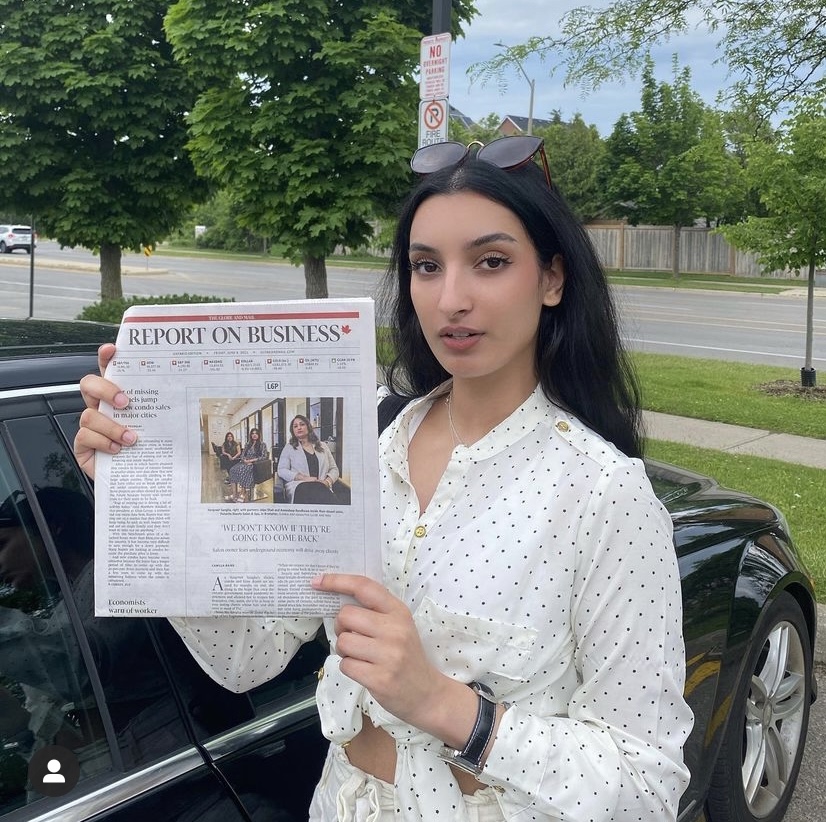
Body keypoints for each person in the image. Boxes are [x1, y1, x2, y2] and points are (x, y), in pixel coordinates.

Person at [74, 135, 693, 822]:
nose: (451, 298)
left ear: (552, 278)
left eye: (490, 262)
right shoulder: (360, 441)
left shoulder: (604, 494)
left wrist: (444, 705)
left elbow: (647, 786)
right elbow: (248, 656)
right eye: (426, 267)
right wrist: (141, 494)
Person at [277, 415, 344, 504]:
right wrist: (303, 478)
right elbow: (281, 470)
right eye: (295, 426)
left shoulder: (323, 446)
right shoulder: (289, 447)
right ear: (293, 431)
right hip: (300, 486)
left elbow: (334, 469)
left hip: (322, 487)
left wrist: (327, 482)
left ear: (308, 426)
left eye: (302, 424)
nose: (299, 428)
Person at [226, 428, 268, 503]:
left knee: (243, 470)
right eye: (252, 433)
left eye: (256, 433)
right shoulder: (248, 444)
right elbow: (242, 454)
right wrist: (244, 460)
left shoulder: (262, 444)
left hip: (254, 464)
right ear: (251, 435)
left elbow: (264, 456)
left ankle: (243, 493)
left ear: (258, 435)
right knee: (232, 470)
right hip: (244, 462)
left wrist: (251, 461)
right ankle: (235, 494)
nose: (254, 435)